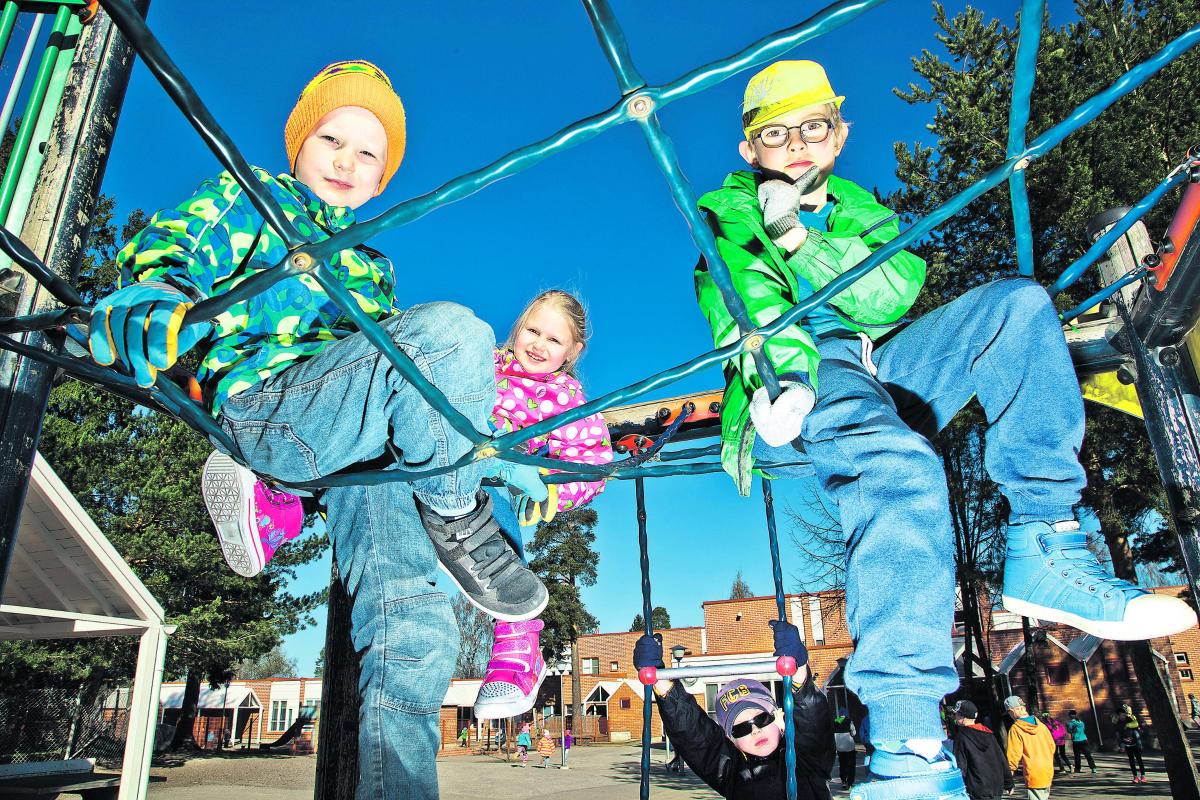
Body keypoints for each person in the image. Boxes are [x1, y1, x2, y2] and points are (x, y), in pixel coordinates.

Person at [692, 58, 1197, 799]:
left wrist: (801, 237)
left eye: (814, 128)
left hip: (880, 364)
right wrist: (780, 371)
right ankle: (906, 747)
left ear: (839, 136)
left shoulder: (858, 208)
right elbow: (741, 294)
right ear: (750, 150)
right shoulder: (726, 209)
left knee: (1018, 310)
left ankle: (1044, 541)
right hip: (801, 378)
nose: (797, 144)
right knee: (903, 468)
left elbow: (891, 293)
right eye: (776, 133)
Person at [87, 61, 543, 800]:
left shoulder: (371, 264)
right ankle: (457, 516)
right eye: (332, 138)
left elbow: (400, 390)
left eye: (369, 154)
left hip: (357, 456)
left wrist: (486, 451)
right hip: (272, 404)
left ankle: (398, 786)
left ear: (383, 177)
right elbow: (184, 243)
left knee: (416, 629)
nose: (346, 161)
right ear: (299, 143)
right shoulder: (257, 198)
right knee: (454, 333)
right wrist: (156, 285)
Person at [633, 620, 834, 799]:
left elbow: (812, 724)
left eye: (761, 718)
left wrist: (797, 671)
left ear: (777, 718)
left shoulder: (806, 758)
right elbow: (695, 736)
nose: (755, 730)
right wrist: (661, 682)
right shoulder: (731, 772)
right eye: (741, 728)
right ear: (732, 740)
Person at [951, 700, 1012, 800]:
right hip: (996, 786)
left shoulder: (961, 737)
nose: (955, 717)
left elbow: (960, 765)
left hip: (976, 788)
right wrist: (1009, 782)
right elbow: (1001, 759)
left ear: (963, 717)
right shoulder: (989, 734)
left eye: (956, 714)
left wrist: (957, 788)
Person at [1003, 696, 1055, 800]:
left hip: (1033, 772)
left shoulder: (1016, 729)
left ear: (1013, 711)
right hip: (1048, 769)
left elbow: (1013, 755)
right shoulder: (1041, 726)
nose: (1010, 716)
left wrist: (1009, 778)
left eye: (1009, 713)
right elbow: (1052, 746)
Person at [1114, 704, 1146, 783]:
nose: (1122, 716)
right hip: (1127, 744)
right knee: (1131, 761)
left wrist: (1129, 721)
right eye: (1121, 715)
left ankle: (1143, 776)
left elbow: (1136, 725)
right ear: (1118, 715)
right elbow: (1118, 735)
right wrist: (1121, 746)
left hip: (1136, 743)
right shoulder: (1118, 724)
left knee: (1139, 759)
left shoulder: (1130, 719)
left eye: (1123, 714)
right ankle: (1135, 777)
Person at [832, 709, 857, 789]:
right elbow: (853, 733)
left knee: (842, 764)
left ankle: (843, 780)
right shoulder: (849, 721)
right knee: (851, 764)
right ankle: (850, 782)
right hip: (849, 746)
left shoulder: (835, 721)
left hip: (839, 746)